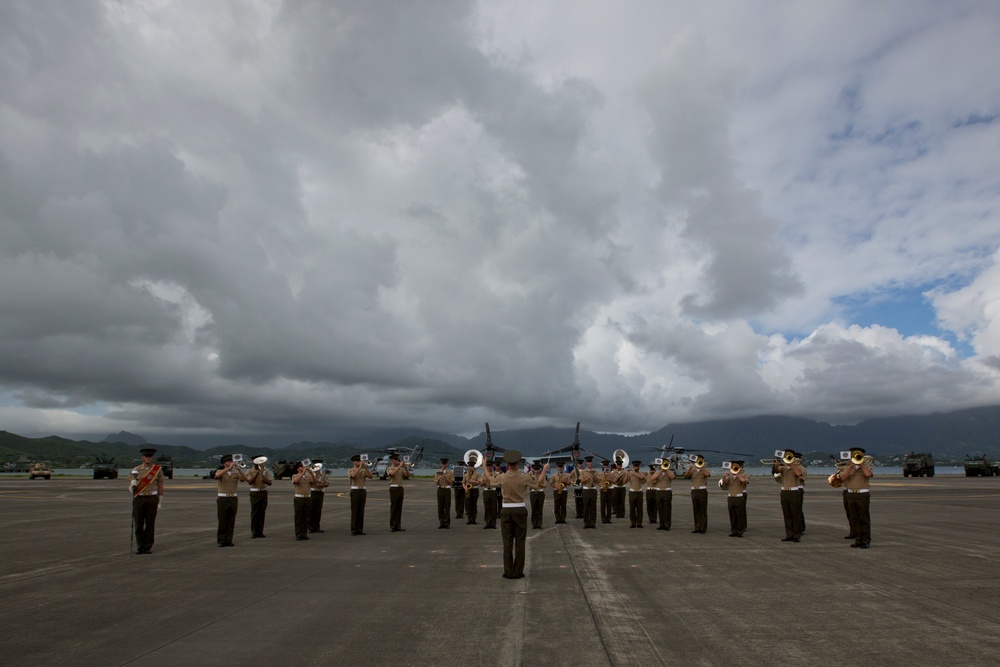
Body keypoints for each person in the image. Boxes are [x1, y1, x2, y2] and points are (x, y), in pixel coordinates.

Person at [481, 450, 549, 579]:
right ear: (518, 462)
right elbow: (537, 484)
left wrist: (484, 465)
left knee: (507, 542)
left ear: (507, 463)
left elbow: (489, 480)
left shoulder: (503, 476)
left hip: (506, 510)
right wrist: (544, 469)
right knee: (520, 541)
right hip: (519, 509)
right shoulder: (524, 477)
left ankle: (508, 571)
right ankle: (518, 572)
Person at [130, 447, 164, 554]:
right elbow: (131, 486)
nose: (148, 458)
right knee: (138, 523)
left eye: (150, 456)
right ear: (142, 457)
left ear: (152, 457)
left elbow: (160, 485)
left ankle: (148, 546)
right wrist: (132, 486)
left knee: (150, 523)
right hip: (139, 498)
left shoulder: (157, 469)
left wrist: (160, 500)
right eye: (146, 456)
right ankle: (140, 545)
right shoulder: (136, 470)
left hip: (152, 497)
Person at [841, 448, 874, 548]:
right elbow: (843, 478)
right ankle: (858, 540)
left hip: (862, 494)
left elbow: (868, 474)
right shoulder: (849, 468)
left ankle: (866, 540)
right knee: (854, 518)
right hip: (851, 494)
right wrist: (851, 467)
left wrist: (861, 464)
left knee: (863, 518)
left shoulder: (866, 467)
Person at [215, 454, 248, 547]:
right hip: (223, 498)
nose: (231, 463)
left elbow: (245, 479)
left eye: (231, 461)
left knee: (231, 520)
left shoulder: (235, 473)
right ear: (224, 463)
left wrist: (238, 469)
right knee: (222, 519)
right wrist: (228, 468)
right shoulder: (220, 471)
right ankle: (221, 540)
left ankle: (229, 540)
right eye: (228, 461)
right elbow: (217, 475)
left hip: (233, 498)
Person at [776, 451, 806, 542]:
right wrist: (776, 464)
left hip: (794, 491)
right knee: (787, 514)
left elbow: (799, 474)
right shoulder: (783, 468)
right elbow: (776, 472)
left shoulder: (799, 468)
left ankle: (797, 534)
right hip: (784, 491)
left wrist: (792, 464)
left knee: (796, 514)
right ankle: (789, 534)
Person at [721, 461, 749, 537]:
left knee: (740, 515)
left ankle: (740, 531)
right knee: (732, 515)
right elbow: (724, 484)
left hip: (739, 497)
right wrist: (724, 476)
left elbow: (744, 481)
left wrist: (737, 474)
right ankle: (734, 531)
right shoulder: (729, 478)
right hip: (731, 497)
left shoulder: (744, 476)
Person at [348, 454, 373, 535]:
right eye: (357, 461)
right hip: (355, 490)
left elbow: (371, 476)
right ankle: (354, 529)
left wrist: (365, 467)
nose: (359, 462)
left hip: (362, 490)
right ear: (354, 462)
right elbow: (353, 476)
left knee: (361, 510)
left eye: (359, 461)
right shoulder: (351, 470)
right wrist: (359, 467)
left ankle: (360, 529)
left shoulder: (363, 471)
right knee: (355, 510)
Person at [684, 457, 710, 533]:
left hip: (702, 490)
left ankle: (703, 527)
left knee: (703, 509)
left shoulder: (705, 469)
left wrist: (701, 467)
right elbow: (686, 476)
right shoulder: (693, 470)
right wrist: (689, 469)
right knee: (696, 509)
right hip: (694, 490)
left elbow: (707, 474)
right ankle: (697, 527)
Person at [292, 461, 316, 541]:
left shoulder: (308, 477)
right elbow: (296, 481)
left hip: (307, 498)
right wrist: (303, 472)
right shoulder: (295, 476)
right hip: (299, 498)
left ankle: (304, 534)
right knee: (298, 517)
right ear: (298, 468)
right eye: (302, 467)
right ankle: (298, 534)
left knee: (305, 517)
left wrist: (311, 472)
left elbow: (315, 482)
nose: (303, 468)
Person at [386, 453, 410, 532]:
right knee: (394, 507)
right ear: (392, 460)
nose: (397, 461)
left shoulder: (400, 469)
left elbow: (407, 475)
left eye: (397, 460)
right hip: (394, 488)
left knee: (399, 508)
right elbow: (391, 474)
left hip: (400, 488)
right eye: (395, 460)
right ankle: (393, 525)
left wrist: (405, 467)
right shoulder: (390, 468)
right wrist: (399, 466)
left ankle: (398, 525)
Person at [649, 460, 675, 530]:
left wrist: (666, 470)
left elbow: (672, 477)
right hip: (659, 492)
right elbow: (652, 479)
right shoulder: (657, 472)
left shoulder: (669, 472)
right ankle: (662, 524)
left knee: (667, 509)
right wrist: (660, 470)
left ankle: (667, 524)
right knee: (660, 508)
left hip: (667, 491)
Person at [308, 459, 330, 533]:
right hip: (312, 492)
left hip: (320, 492)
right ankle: (310, 526)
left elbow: (327, 483)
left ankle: (317, 526)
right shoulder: (310, 473)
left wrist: (322, 485)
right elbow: (311, 482)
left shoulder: (322, 474)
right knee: (311, 510)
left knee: (318, 510)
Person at [578, 456, 599, 528]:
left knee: (593, 507)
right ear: (586, 463)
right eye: (588, 462)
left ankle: (593, 523)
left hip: (593, 490)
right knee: (586, 507)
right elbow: (581, 481)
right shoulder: (583, 472)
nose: (590, 463)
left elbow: (598, 481)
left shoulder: (595, 471)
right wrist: (588, 477)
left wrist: (593, 476)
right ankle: (586, 523)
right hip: (586, 490)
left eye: (590, 462)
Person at [626, 460, 647, 528]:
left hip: (639, 492)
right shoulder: (630, 474)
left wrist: (634, 472)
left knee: (639, 508)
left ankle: (639, 523)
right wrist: (627, 474)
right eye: (635, 466)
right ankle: (633, 523)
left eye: (637, 466)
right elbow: (624, 481)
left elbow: (642, 479)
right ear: (633, 466)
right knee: (632, 508)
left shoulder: (641, 474)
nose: (636, 467)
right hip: (632, 492)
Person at [434, 459, 454, 529]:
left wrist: (445, 478)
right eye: (442, 464)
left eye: (445, 464)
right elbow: (435, 481)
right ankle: (441, 522)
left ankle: (447, 522)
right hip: (440, 489)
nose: (443, 465)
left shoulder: (450, 472)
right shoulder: (438, 472)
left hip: (446, 489)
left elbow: (451, 482)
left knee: (447, 507)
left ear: (446, 464)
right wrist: (439, 479)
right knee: (440, 507)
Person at [481, 459, 499, 529]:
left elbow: (497, 483)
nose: (489, 467)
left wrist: (492, 479)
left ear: (492, 466)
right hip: (486, 491)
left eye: (490, 466)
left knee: (494, 508)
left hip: (493, 491)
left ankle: (493, 523)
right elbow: (481, 484)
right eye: (488, 466)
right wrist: (486, 480)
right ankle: (487, 522)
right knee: (487, 508)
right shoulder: (483, 474)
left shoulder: (495, 474)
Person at [464, 460, 482, 524]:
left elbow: (480, 482)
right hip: (468, 490)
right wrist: (465, 488)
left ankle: (474, 519)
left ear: (474, 467)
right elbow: (463, 483)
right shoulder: (466, 475)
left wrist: (473, 481)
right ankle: (469, 519)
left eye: (472, 466)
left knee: (474, 505)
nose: (471, 467)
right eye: (470, 466)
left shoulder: (477, 474)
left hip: (474, 490)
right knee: (469, 505)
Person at [528, 462, 546, 529]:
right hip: (533, 492)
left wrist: (539, 483)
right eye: (535, 469)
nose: (537, 471)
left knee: (540, 508)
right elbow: (528, 484)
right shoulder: (530, 475)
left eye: (538, 469)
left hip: (540, 492)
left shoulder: (542, 476)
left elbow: (545, 485)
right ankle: (534, 524)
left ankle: (539, 523)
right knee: (533, 508)